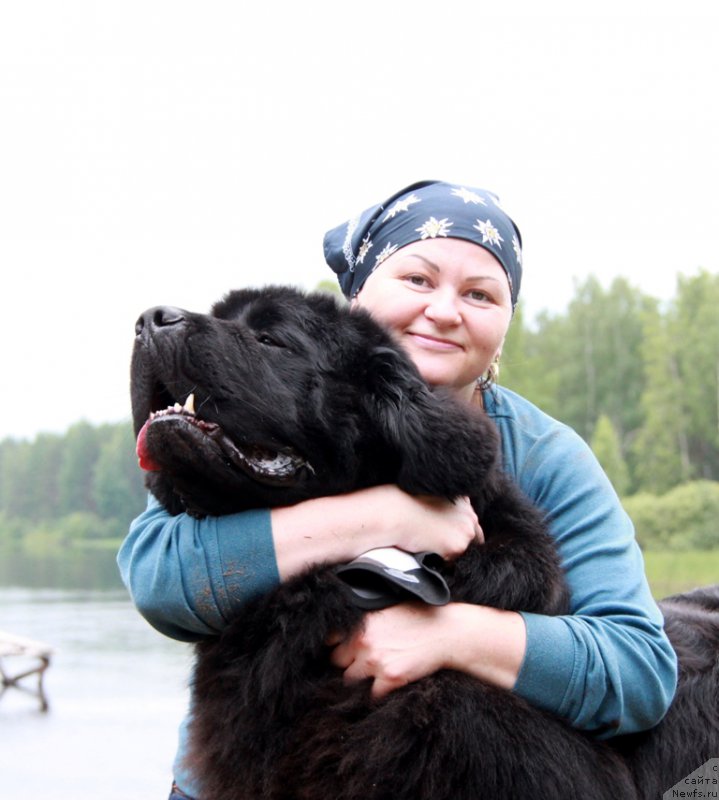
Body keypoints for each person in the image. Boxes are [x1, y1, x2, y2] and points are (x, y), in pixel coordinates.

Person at [118, 179, 678, 800]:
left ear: (503, 327)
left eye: (480, 294)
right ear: (357, 295)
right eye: (418, 279)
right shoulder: (249, 414)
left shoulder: (546, 454)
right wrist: (384, 520)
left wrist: (448, 635)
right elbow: (161, 580)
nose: (445, 310)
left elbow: (639, 670)